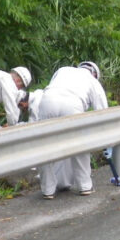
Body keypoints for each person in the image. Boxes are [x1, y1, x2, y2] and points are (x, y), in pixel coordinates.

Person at [37, 61, 109, 198]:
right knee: (80, 146)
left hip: (47, 102)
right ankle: (85, 186)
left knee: (46, 147)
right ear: (94, 74)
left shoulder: (63, 69)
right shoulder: (92, 81)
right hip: (72, 105)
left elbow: (53, 86)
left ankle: (48, 190)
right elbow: (102, 110)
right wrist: (106, 139)